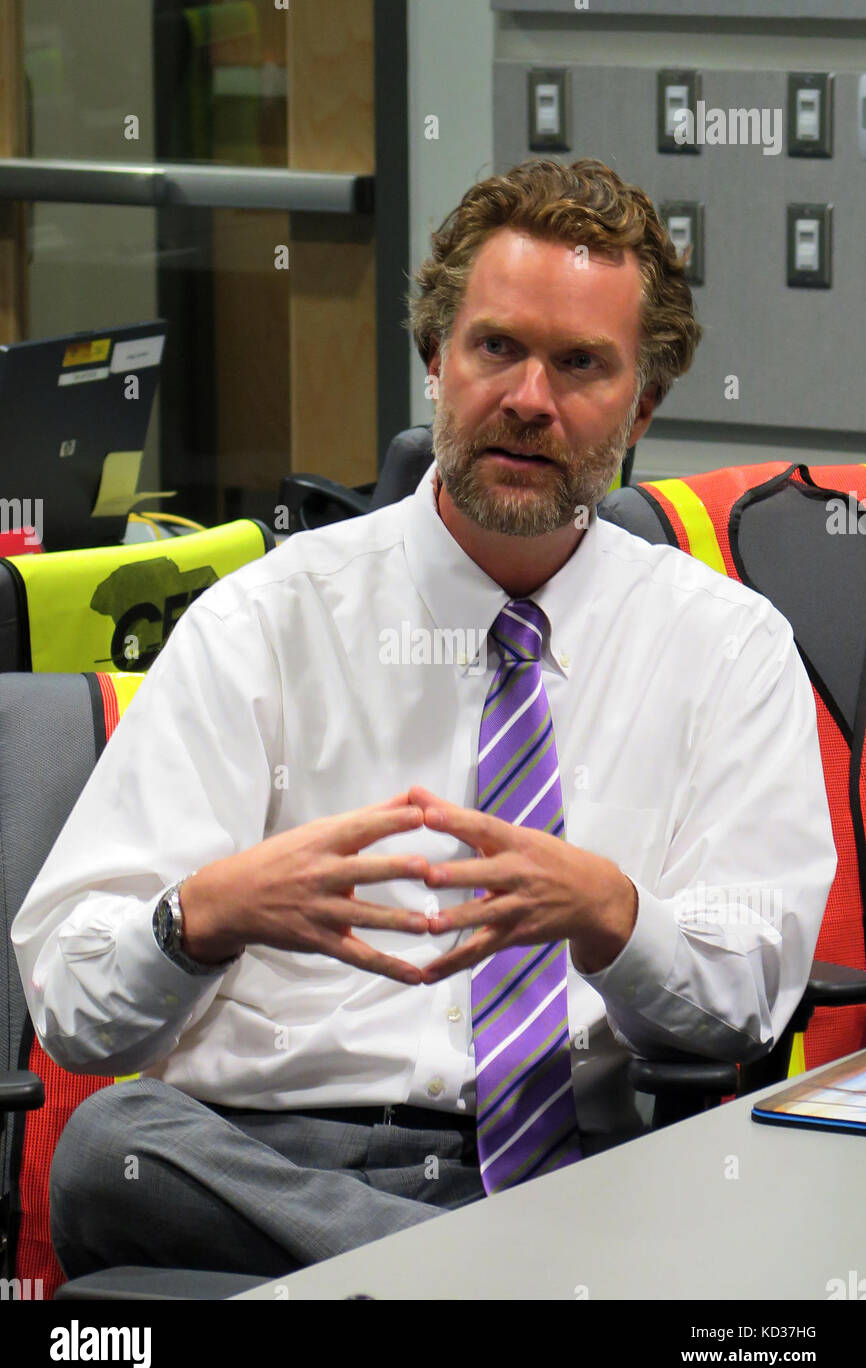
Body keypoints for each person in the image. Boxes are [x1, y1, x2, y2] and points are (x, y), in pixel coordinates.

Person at [12, 157, 836, 1282]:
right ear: (435, 357)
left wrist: (612, 916)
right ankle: (506, 1281)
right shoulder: (264, 619)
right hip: (266, 1158)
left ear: (642, 403)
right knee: (112, 1149)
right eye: (495, 347)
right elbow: (69, 995)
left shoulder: (726, 648)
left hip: (570, 1156)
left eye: (580, 364)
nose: (528, 399)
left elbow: (749, 995)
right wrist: (203, 915)